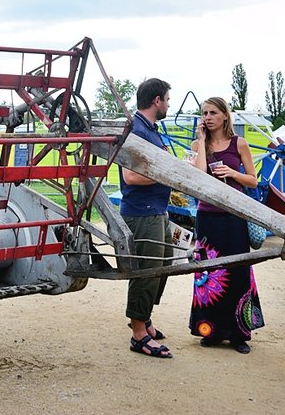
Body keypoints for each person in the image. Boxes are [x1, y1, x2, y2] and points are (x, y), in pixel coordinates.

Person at [188, 96, 264, 354]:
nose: (207, 117)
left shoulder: (238, 144)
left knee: (238, 272)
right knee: (209, 274)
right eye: (204, 113)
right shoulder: (199, 144)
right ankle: (210, 330)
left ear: (224, 116)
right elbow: (197, 177)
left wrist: (232, 174)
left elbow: (253, 181)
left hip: (234, 216)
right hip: (207, 217)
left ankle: (238, 334)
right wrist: (200, 143)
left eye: (212, 113)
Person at [120, 78, 174, 359]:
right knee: (147, 271)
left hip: (156, 210)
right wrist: (171, 174)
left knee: (163, 267)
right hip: (142, 213)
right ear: (156, 101)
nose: (168, 104)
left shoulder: (151, 130)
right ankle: (138, 334)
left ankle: (145, 317)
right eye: (166, 99)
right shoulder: (137, 131)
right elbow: (130, 176)